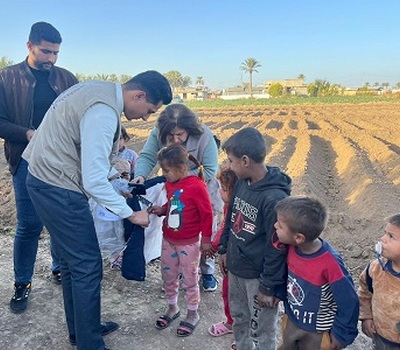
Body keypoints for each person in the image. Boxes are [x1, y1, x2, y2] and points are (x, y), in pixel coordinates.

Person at [22, 70, 172, 350]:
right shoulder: (104, 112)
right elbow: (92, 180)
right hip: (58, 186)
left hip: (43, 179)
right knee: (87, 266)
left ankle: (82, 329)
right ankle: (90, 342)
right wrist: (130, 213)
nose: (146, 117)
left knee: (71, 263)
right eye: (149, 109)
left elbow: (92, 160)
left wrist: (116, 182)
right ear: (138, 95)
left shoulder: (96, 90)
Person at [0, 21, 78, 313]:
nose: (51, 59)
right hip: (26, 161)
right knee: (30, 225)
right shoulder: (6, 79)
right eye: (46, 52)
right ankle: (23, 283)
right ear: (29, 46)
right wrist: (29, 134)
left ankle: (59, 268)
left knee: (60, 222)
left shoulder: (67, 78)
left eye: (56, 53)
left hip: (63, 163)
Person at [134, 103, 223, 291]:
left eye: (180, 135)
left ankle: (207, 271)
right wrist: (140, 175)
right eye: (170, 136)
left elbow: (209, 170)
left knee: (206, 232)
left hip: (203, 191)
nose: (175, 140)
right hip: (176, 194)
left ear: (190, 130)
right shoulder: (157, 133)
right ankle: (184, 269)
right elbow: (148, 156)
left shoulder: (205, 136)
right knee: (181, 230)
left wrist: (179, 177)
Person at [218, 127, 291, 350]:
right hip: (237, 269)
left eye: (231, 161)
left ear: (246, 160)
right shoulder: (242, 182)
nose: (229, 166)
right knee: (240, 319)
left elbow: (277, 247)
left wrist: (269, 287)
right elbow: (231, 216)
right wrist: (223, 248)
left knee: (262, 329)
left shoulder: (273, 198)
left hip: (258, 277)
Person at [274, 196, 359, 350]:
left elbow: (349, 301)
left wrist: (342, 334)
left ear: (299, 237)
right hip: (292, 320)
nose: (275, 226)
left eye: (279, 226)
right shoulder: (291, 247)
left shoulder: (331, 264)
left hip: (317, 333)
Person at [149, 144, 214, 337]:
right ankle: (172, 308)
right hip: (169, 240)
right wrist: (163, 209)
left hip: (189, 244)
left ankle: (192, 313)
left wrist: (207, 240)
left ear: (181, 167)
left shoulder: (196, 186)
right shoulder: (171, 184)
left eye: (167, 170)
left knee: (190, 278)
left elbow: (207, 215)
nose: (164, 174)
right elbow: (174, 202)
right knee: (168, 275)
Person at [358, 214, 400, 349]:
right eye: (385, 233)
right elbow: (364, 292)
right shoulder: (376, 269)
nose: (383, 239)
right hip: (381, 337)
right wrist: (366, 316)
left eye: (391, 236)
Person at [208, 166, 238, 338]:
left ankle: (240, 332)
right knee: (227, 292)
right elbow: (222, 227)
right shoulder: (228, 206)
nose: (220, 192)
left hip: (239, 261)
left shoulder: (236, 208)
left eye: (225, 189)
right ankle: (231, 322)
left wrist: (213, 245)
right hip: (230, 258)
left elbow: (223, 229)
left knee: (237, 297)